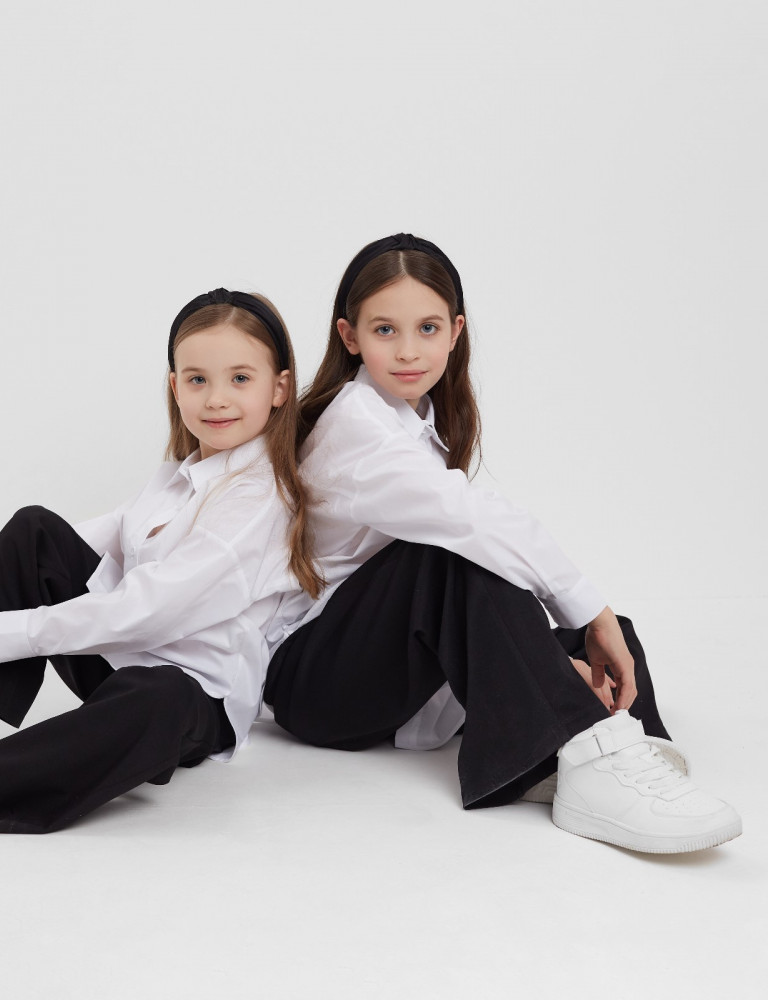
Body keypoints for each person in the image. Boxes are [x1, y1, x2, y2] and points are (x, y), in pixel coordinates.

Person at [264, 233, 741, 854]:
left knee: (608, 641)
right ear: (349, 336)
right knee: (452, 557)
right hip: (316, 682)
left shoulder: (413, 419)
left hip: (381, 663)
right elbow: (472, 522)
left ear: (455, 331)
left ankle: (611, 750)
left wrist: (588, 634)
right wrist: (588, 608)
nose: (408, 350)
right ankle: (590, 754)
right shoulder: (358, 426)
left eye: (428, 328)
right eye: (385, 330)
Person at [0, 287, 320, 845]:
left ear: (279, 388)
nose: (216, 399)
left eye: (240, 378)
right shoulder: (182, 473)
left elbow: (152, 610)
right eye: (197, 380)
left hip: (192, 701)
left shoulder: (259, 498)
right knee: (35, 530)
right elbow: (91, 540)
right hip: (125, 660)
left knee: (158, 696)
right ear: (174, 386)